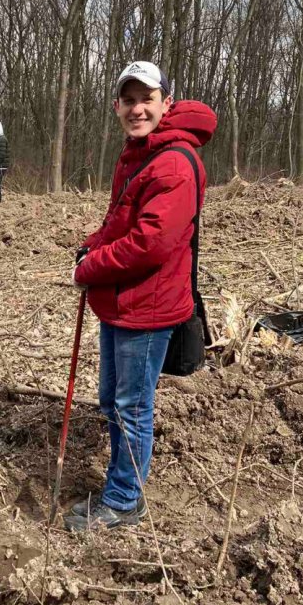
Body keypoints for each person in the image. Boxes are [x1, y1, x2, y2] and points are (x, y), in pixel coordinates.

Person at [65, 60, 217, 532]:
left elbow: (151, 243)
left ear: (165, 103)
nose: (137, 108)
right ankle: (118, 486)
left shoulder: (173, 161)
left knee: (132, 406)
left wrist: (90, 267)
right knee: (113, 401)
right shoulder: (138, 153)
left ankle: (125, 501)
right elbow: (121, 221)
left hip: (147, 308)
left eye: (147, 99)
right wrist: (93, 242)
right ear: (117, 106)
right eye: (129, 100)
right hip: (122, 301)